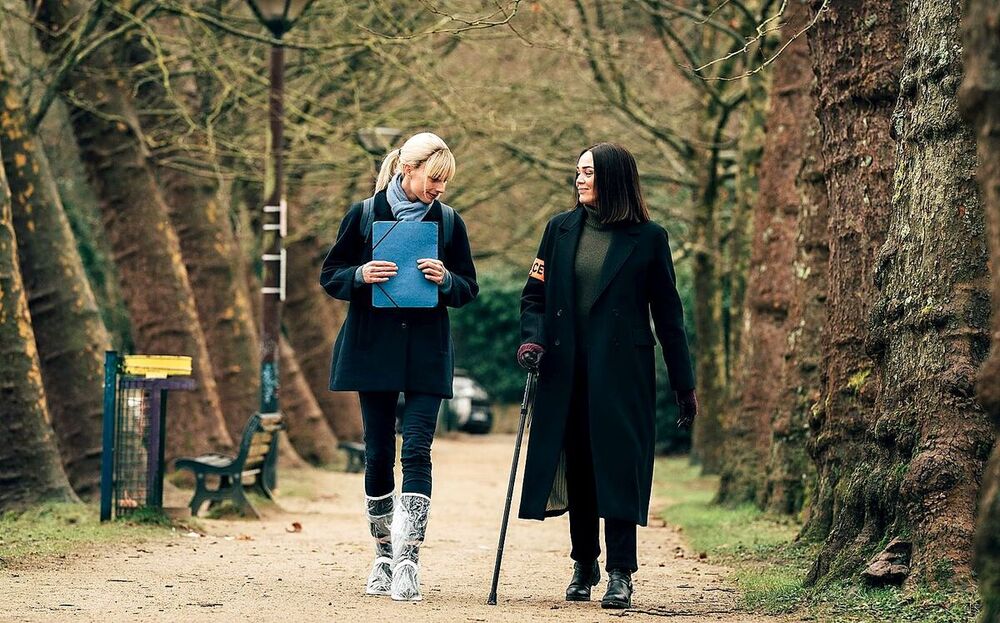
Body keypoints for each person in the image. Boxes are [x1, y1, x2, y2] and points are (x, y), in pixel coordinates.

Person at [515, 142, 698, 609]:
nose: (579, 179)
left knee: (618, 468)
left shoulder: (649, 238)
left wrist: (684, 385)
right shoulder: (558, 230)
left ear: (613, 178)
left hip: (622, 375)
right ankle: (584, 562)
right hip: (565, 371)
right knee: (579, 467)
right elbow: (534, 297)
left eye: (589, 172)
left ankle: (621, 573)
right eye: (578, 171)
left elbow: (669, 316)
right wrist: (532, 340)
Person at [320, 132, 478, 601]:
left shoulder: (448, 222)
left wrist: (446, 279)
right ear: (407, 169)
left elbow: (468, 286)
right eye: (434, 179)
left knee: (417, 451)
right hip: (373, 349)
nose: (439, 190)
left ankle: (409, 561)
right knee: (377, 453)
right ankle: (383, 556)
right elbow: (330, 275)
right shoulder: (363, 214)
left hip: (428, 352)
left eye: (445, 182)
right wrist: (360, 275)